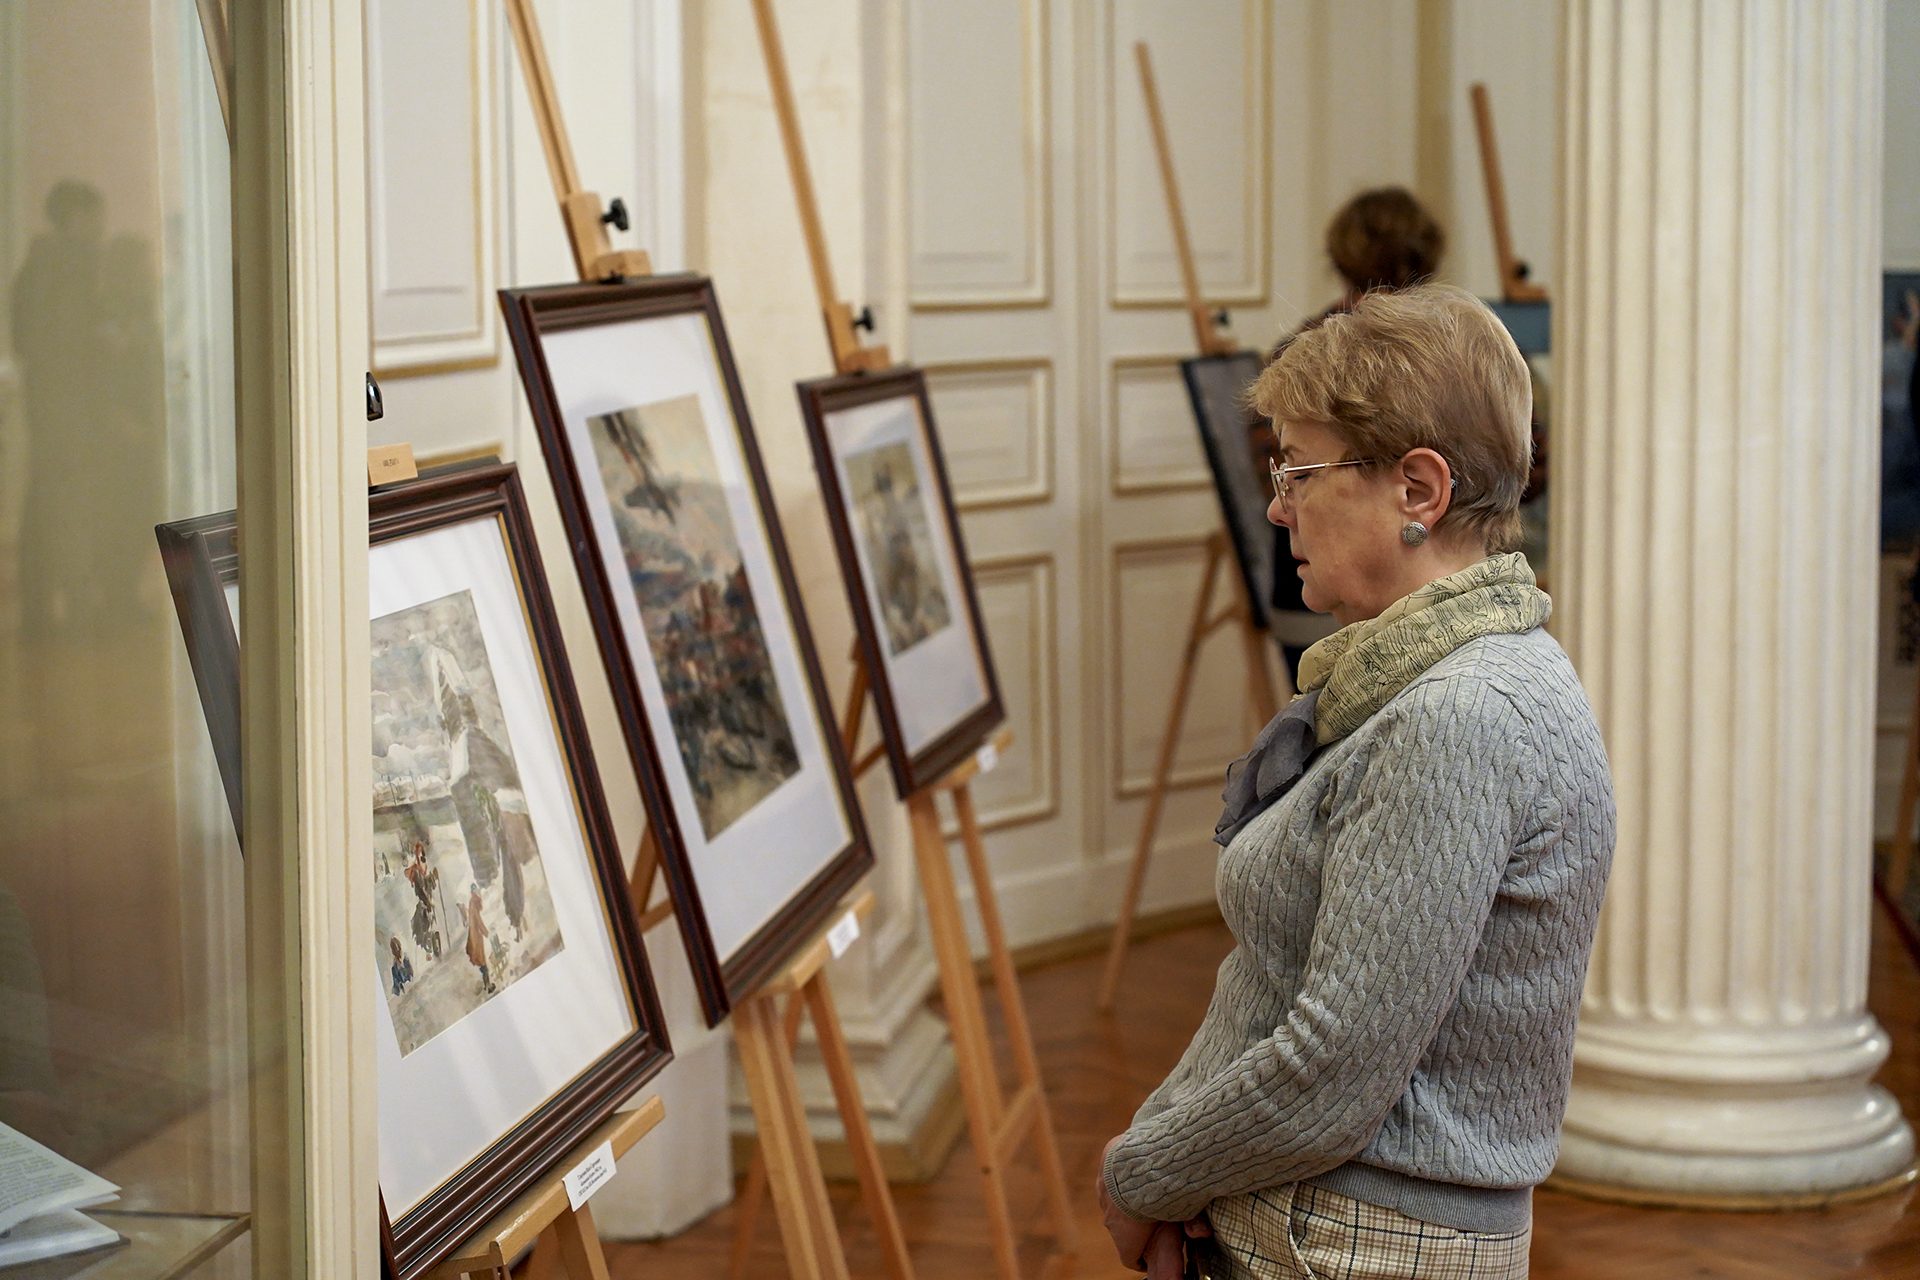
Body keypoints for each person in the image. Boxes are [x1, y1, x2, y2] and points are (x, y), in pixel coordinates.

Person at [1100, 283, 1616, 1280]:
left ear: (1417, 491)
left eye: (1298, 469)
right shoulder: (1443, 677)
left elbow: (1329, 1073)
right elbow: (1279, 989)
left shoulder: (1458, 716)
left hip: (1350, 1241)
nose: (1277, 504)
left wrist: (1138, 1175)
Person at [1261, 187, 1447, 684]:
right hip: (1362, 590)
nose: (1278, 507)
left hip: (1350, 588)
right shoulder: (1450, 354)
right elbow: (1527, 472)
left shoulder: (1298, 347)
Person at [464, 883, 493, 993]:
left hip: (475, 934)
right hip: (476, 936)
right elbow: (478, 920)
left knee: (482, 961)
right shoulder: (474, 903)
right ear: (474, 891)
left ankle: (487, 985)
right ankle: (488, 986)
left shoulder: (473, 902)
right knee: (482, 961)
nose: (478, 892)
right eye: (477, 891)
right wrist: (486, 933)